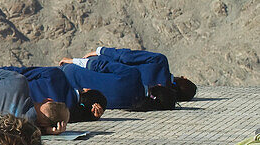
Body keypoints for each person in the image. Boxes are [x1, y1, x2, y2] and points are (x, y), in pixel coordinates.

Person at [0, 65, 107, 122]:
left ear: (86, 89)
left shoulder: (57, 76)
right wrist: (92, 118)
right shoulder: (64, 115)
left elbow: (20, 72)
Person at [66, 48, 197, 102]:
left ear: (184, 78)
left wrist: (101, 50)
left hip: (94, 66)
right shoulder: (152, 98)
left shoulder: (160, 62)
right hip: (86, 89)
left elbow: (127, 57)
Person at [60, 60, 176, 111]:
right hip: (68, 95)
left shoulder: (133, 75)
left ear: (159, 86)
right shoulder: (131, 105)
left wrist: (74, 61)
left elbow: (101, 65)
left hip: (72, 73)